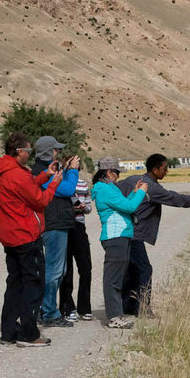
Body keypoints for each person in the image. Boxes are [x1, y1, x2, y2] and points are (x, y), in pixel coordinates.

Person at [117, 153, 190, 316]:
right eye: (164, 169)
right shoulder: (152, 187)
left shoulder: (133, 179)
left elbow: (117, 188)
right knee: (144, 269)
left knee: (132, 269)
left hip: (123, 231)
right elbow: (176, 199)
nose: (167, 172)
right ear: (156, 169)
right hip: (133, 234)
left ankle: (127, 305)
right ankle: (142, 308)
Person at [0, 132, 63, 348]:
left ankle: (8, 332)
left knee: (15, 284)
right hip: (26, 235)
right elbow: (40, 200)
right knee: (34, 284)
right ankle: (29, 334)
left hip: (10, 236)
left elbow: (25, 187)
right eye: (28, 151)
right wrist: (54, 183)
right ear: (20, 151)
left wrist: (44, 176)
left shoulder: (2, 171)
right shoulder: (18, 174)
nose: (29, 154)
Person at [90, 156, 149, 328]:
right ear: (108, 172)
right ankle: (114, 317)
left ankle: (117, 314)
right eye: (116, 173)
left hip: (121, 235)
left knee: (117, 276)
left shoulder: (109, 188)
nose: (118, 176)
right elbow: (130, 208)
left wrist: (134, 193)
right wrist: (141, 193)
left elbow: (124, 204)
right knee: (113, 278)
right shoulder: (104, 189)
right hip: (115, 236)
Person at [31, 136, 79, 328]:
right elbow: (67, 189)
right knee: (54, 271)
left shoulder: (47, 170)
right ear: (49, 152)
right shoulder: (42, 172)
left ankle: (48, 310)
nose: (58, 153)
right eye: (56, 150)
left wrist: (65, 170)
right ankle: (49, 312)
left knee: (59, 270)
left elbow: (60, 186)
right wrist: (73, 171)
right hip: (54, 224)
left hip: (57, 224)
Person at [59, 156, 94, 322]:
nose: (77, 165)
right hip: (65, 226)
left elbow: (88, 207)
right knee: (67, 270)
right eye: (74, 163)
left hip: (79, 226)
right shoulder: (61, 182)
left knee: (85, 267)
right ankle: (67, 307)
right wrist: (71, 208)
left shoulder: (82, 184)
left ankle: (84, 306)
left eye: (78, 163)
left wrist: (83, 207)